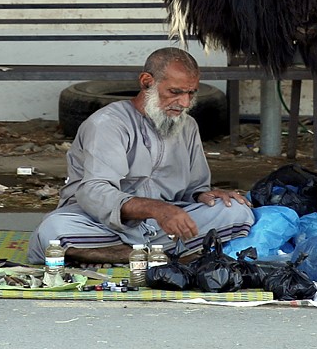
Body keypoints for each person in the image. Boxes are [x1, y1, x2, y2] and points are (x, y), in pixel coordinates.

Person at [28, 47, 254, 265]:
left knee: (237, 212)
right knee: (54, 231)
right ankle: (161, 257)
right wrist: (158, 209)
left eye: (191, 93)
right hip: (104, 224)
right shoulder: (108, 124)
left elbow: (193, 188)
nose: (184, 103)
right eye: (175, 92)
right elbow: (94, 192)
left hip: (162, 227)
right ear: (147, 82)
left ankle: (119, 255)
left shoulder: (188, 126)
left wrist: (203, 196)